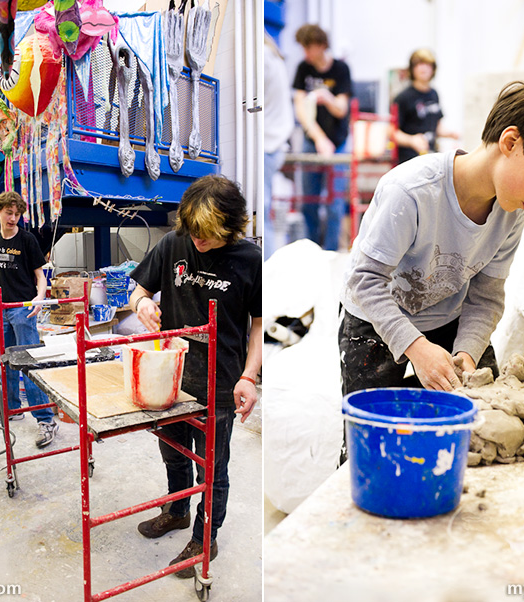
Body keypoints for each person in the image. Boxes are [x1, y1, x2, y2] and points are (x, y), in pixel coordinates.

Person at [339, 81, 524, 396]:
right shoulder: (411, 192)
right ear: (511, 142)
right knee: (372, 433)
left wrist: (468, 353)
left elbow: (486, 296)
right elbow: (364, 280)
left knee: (487, 419)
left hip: (449, 318)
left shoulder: (513, 212)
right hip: (375, 319)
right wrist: (417, 348)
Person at [128, 174, 262, 578]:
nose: (198, 241)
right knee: (173, 452)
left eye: (207, 235)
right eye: (193, 232)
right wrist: (142, 305)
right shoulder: (174, 243)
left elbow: (258, 324)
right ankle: (177, 511)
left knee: (212, 467)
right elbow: (138, 288)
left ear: (231, 226)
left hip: (221, 382)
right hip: (172, 375)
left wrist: (250, 377)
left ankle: (207, 535)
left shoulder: (250, 259)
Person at [0, 191, 58, 447]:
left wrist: (39, 297)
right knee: (7, 362)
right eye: (8, 213)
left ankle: (46, 420)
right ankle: (12, 409)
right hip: (0, 310)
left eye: (17, 214)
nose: (13, 218)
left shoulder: (27, 240)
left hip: (23, 309)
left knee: (29, 364)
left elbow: (41, 277)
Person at [292, 24, 352, 251]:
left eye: (309, 47)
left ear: (321, 45)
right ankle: (311, 250)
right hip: (312, 142)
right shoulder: (303, 69)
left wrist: (326, 97)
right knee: (308, 201)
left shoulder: (340, 69)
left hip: (339, 142)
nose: (305, 53)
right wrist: (318, 138)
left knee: (335, 204)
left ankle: (329, 252)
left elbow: (341, 109)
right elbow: (300, 109)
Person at [393, 48, 459, 165]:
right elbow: (392, 132)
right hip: (409, 160)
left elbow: (436, 126)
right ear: (412, 69)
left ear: (433, 69)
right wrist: (411, 140)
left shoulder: (434, 94)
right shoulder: (402, 98)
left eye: (427, 64)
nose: (423, 68)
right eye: (418, 64)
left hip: (430, 156)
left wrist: (451, 134)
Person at [263, 32, 294, 261]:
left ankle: (268, 268)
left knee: (263, 214)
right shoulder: (275, 57)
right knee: (266, 213)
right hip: (276, 144)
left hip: (268, 144)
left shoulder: (263, 57)